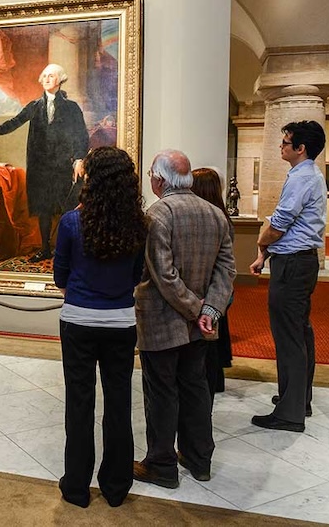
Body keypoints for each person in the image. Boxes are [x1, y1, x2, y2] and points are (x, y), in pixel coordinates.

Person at [133, 149, 235, 489]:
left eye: (151, 173)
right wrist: (209, 311)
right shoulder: (215, 214)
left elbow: (164, 275)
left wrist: (196, 308)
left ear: (159, 179)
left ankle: (161, 464)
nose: (150, 179)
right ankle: (198, 457)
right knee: (195, 388)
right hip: (199, 326)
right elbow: (226, 270)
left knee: (161, 392)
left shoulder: (157, 215)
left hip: (163, 321)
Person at [52, 146, 146, 509]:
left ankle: (76, 486)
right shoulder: (138, 223)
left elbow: (60, 275)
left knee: (79, 404)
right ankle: (116, 485)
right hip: (121, 320)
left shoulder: (72, 222)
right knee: (119, 404)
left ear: (89, 177)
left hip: (78, 319)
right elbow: (137, 275)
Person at [249, 120, 327, 432]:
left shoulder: (302, 177)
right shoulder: (307, 175)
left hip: (293, 264)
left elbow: (280, 224)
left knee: (290, 336)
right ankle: (297, 398)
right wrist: (266, 250)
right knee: (299, 332)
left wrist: (261, 243)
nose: (281, 146)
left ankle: (290, 412)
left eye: (286, 142)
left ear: (301, 148)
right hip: (299, 261)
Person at [0, 63, 89, 262]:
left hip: (63, 166)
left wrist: (79, 158)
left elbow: (81, 134)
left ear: (60, 80)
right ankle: (45, 249)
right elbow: (15, 121)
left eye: (51, 76)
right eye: (44, 75)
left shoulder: (71, 108)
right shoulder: (34, 106)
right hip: (40, 167)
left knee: (66, 209)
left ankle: (68, 252)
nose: (46, 79)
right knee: (43, 209)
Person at [191, 167, 235, 401]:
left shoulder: (214, 220)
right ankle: (215, 380)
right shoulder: (223, 217)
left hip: (209, 290)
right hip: (218, 291)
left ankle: (210, 382)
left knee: (207, 342)